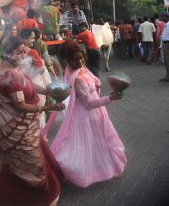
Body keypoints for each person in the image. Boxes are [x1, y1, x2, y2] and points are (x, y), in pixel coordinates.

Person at [0, 36, 65, 206]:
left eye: (24, 51)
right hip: (15, 128)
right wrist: (47, 108)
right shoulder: (10, 76)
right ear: (7, 53)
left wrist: (47, 91)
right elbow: (20, 106)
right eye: (19, 52)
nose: (23, 55)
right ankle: (43, 198)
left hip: (22, 125)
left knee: (15, 163)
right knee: (33, 165)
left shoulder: (17, 68)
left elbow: (29, 83)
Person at [43, 40, 127, 187]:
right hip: (87, 115)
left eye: (82, 58)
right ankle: (73, 170)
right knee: (93, 142)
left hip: (95, 112)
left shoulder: (82, 69)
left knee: (99, 141)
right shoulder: (78, 79)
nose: (81, 61)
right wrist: (110, 98)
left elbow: (95, 81)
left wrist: (106, 87)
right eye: (76, 59)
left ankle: (105, 168)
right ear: (68, 61)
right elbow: (88, 104)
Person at [159, 13, 169, 82]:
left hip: (168, 44)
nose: (161, 18)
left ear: (167, 17)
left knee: (168, 61)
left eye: (162, 16)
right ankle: (167, 76)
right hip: (165, 44)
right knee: (166, 62)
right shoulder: (166, 24)